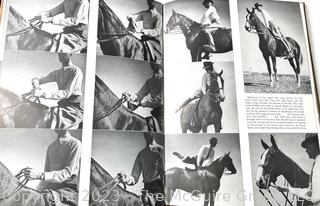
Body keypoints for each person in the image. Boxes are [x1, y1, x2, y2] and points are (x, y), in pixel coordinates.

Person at [23, 129, 81, 206]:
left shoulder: (75, 143)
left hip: (67, 189)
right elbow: (46, 173)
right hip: (50, 188)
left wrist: (40, 175)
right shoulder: (51, 147)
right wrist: (35, 191)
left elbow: (67, 173)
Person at [31, 53, 83, 129]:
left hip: (73, 106)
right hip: (62, 103)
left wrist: (42, 93)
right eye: (60, 53)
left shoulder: (76, 71)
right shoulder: (58, 73)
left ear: (70, 54)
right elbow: (43, 79)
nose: (61, 55)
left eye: (65, 53)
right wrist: (36, 81)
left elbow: (66, 93)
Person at [119, 132, 165, 206]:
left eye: (150, 131)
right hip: (147, 191)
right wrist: (126, 179)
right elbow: (134, 176)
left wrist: (161, 167)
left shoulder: (162, 150)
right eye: (146, 132)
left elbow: (169, 173)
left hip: (162, 189)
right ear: (144, 134)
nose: (148, 133)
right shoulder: (141, 154)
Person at [275, 133, 320, 205]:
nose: (306, 150)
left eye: (308, 147)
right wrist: (287, 189)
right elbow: (309, 193)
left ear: (314, 145)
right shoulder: (315, 165)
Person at [125, 63, 164, 132]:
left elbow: (160, 100)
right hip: (157, 114)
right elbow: (140, 95)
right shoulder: (150, 80)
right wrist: (132, 97)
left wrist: (140, 103)